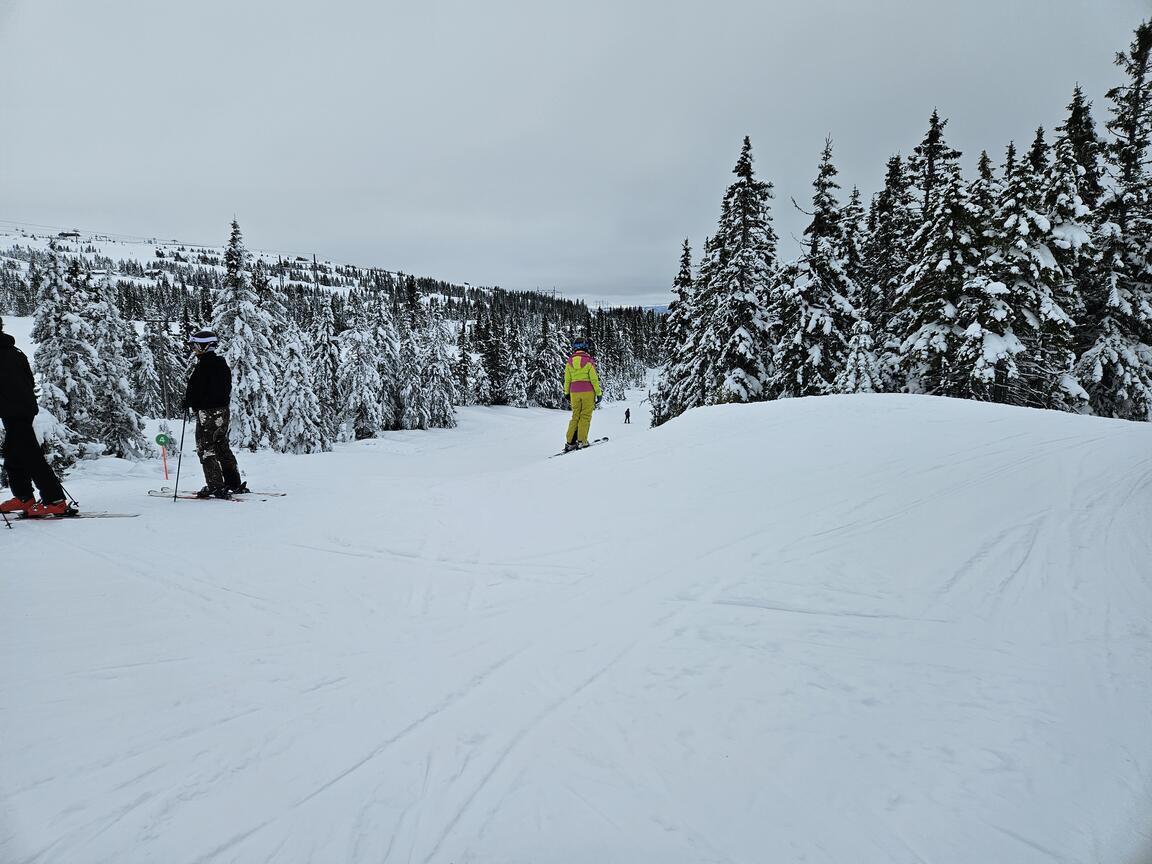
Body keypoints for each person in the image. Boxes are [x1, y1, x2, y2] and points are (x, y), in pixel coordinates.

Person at [0, 317, 70, 516]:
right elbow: (29, 383)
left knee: (30, 456)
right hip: (16, 411)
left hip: (16, 412)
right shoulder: (14, 352)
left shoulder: (7, 354)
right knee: (13, 455)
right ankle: (23, 497)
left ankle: (55, 500)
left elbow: (17, 386)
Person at [182, 329, 246, 498]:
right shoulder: (221, 364)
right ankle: (233, 483)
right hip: (223, 411)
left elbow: (196, 390)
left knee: (206, 448)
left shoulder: (204, 366)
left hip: (208, 413)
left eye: (194, 346)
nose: (193, 349)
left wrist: (188, 402)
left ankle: (216, 486)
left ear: (204, 346)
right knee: (221, 445)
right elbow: (225, 388)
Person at [562, 338, 602, 452]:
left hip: (574, 392)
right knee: (585, 416)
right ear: (585, 348)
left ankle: (570, 442)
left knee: (575, 416)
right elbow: (594, 379)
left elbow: (567, 380)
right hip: (588, 392)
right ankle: (581, 441)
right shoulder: (589, 361)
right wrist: (598, 393)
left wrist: (566, 393)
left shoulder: (569, 362)